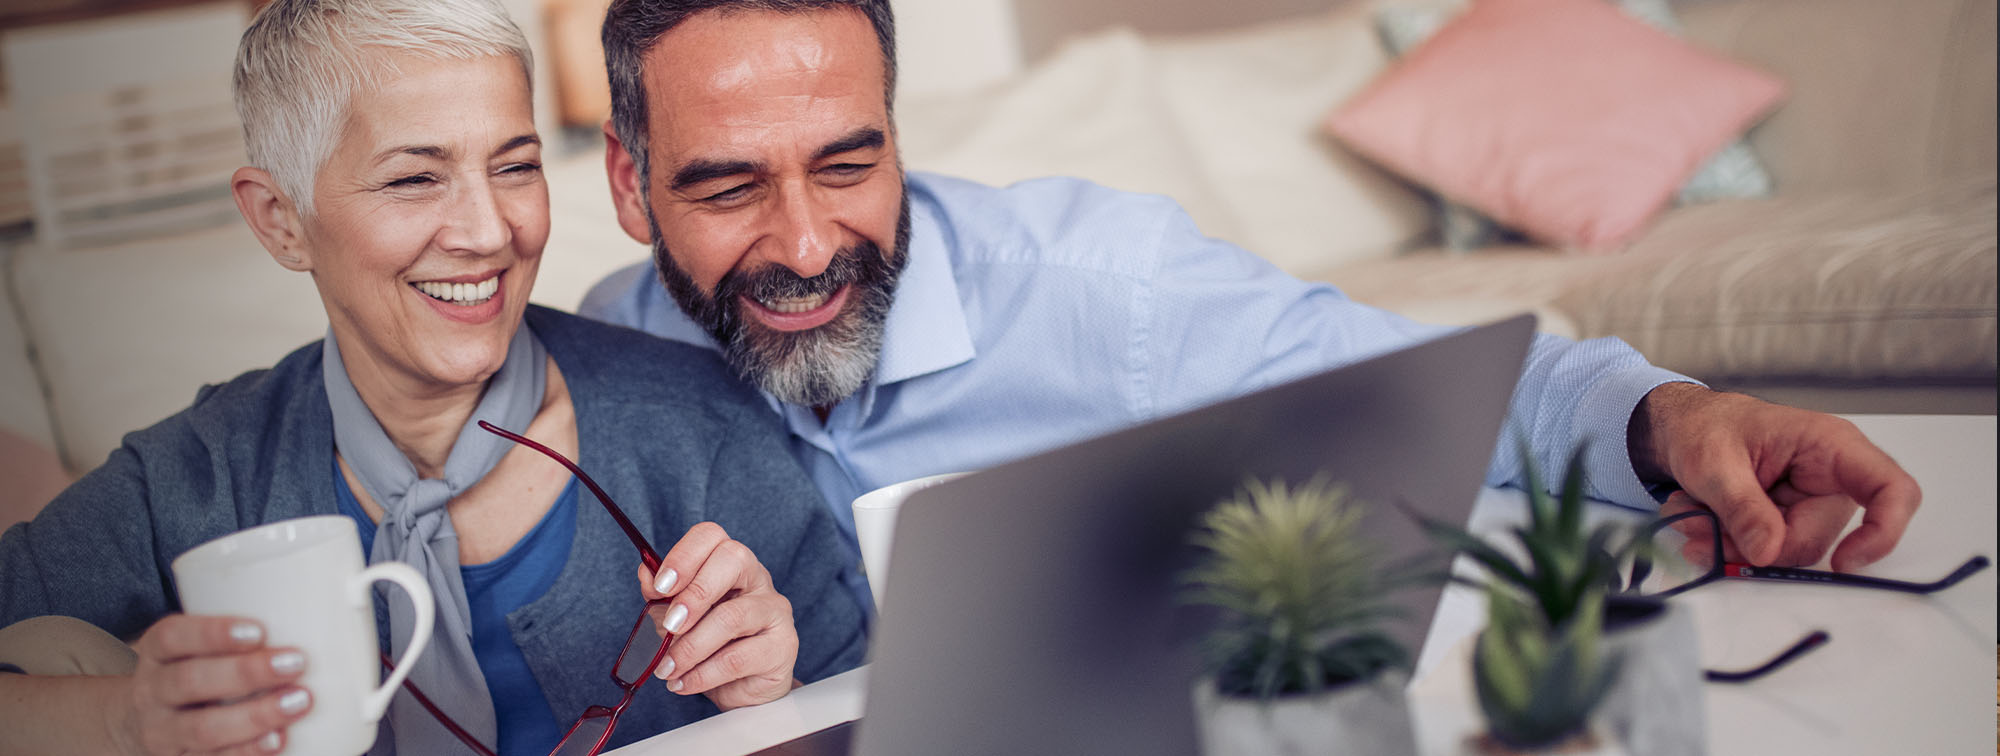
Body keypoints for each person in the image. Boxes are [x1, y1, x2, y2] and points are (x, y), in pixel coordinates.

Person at [578, 0, 1923, 615]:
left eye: (849, 162)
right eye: (730, 186)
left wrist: (1678, 416)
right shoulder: (612, 336)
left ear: (893, 129)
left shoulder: (1111, 293)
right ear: (632, 185)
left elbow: (1446, 389)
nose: (808, 242)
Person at [0, 1, 864, 754]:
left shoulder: (697, 427)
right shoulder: (195, 478)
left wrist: (771, 706)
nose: (489, 232)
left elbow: (874, 720)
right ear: (280, 220)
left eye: (516, 166)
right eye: (415, 178)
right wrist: (124, 723)